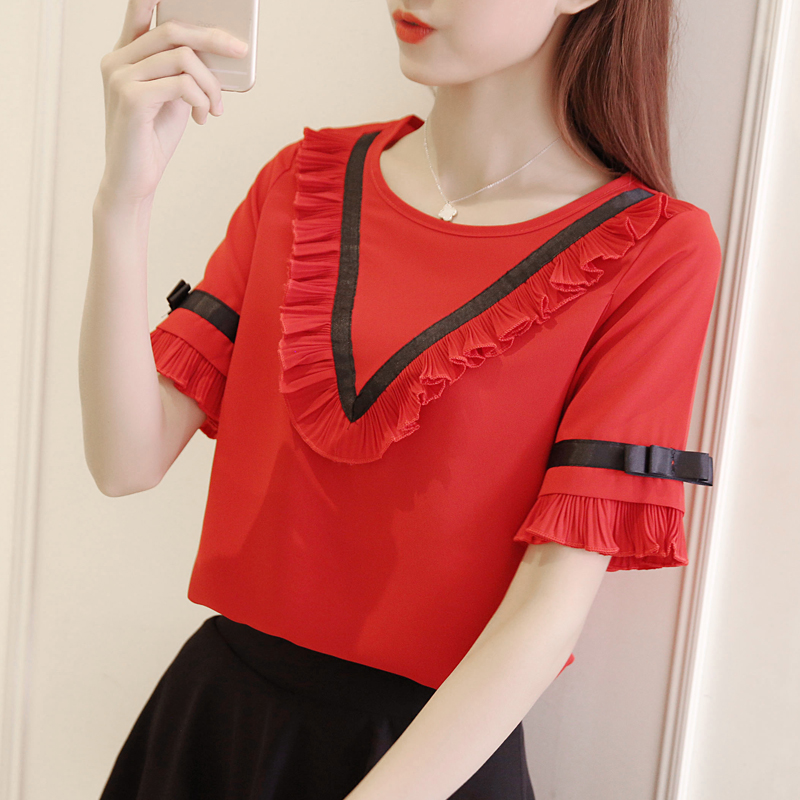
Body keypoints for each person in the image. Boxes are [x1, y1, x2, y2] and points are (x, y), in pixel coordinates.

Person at [79, 0, 721, 798]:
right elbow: (125, 460)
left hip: (429, 765)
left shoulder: (654, 250)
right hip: (218, 727)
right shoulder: (301, 180)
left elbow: (551, 600)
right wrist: (123, 198)